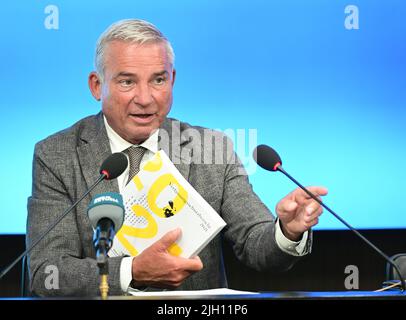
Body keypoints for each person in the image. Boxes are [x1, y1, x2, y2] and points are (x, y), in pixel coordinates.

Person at [27, 19, 328, 296]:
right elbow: (47, 272)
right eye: (127, 82)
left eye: (158, 80)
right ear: (96, 85)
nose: (145, 98)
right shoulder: (57, 155)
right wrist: (132, 271)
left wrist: (287, 230)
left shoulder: (211, 148)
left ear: (172, 80)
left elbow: (256, 245)